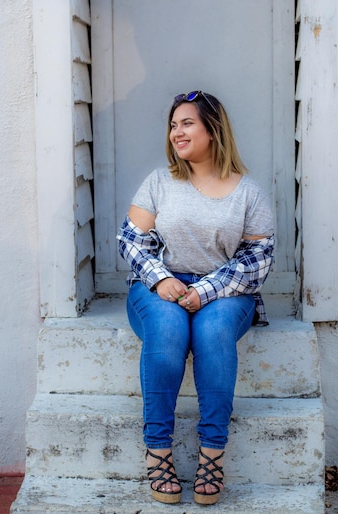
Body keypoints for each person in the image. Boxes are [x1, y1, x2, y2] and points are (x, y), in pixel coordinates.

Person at [117, 90, 274, 506]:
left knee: (214, 332)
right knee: (168, 329)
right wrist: (161, 279)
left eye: (186, 123)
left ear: (213, 128)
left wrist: (205, 291)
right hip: (159, 287)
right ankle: (158, 453)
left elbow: (257, 261)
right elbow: (132, 242)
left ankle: (211, 455)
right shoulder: (160, 181)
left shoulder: (248, 192)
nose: (176, 132)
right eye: (173, 125)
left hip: (226, 291)